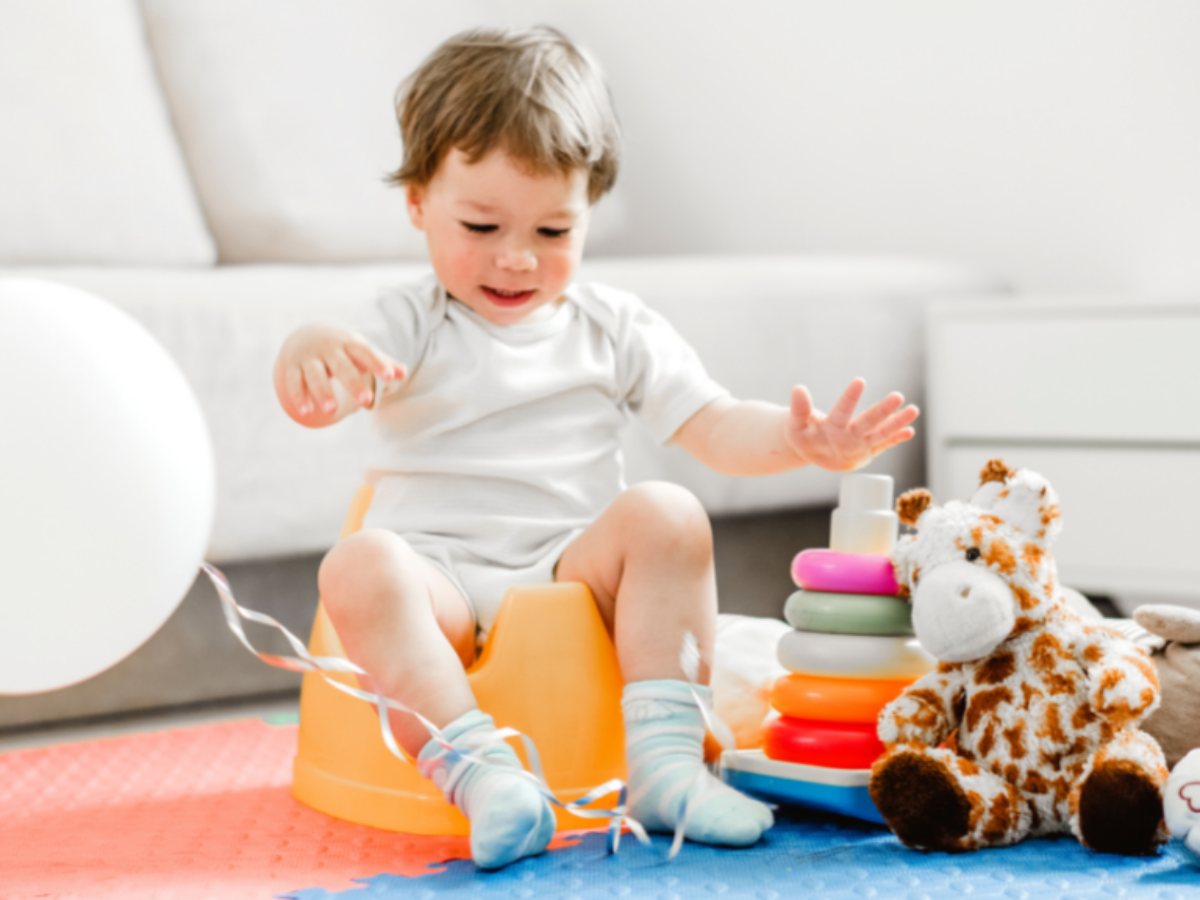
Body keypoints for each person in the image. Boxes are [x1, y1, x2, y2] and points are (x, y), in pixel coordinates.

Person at [273, 26, 918, 869]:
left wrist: (800, 441)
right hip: (438, 577)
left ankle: (664, 767)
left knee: (669, 514)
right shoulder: (410, 318)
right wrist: (309, 354)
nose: (515, 258)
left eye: (553, 232)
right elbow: (323, 392)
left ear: (588, 215)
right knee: (357, 566)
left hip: (568, 571)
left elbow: (716, 428)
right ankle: (480, 774)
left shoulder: (613, 327)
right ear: (418, 204)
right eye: (481, 223)